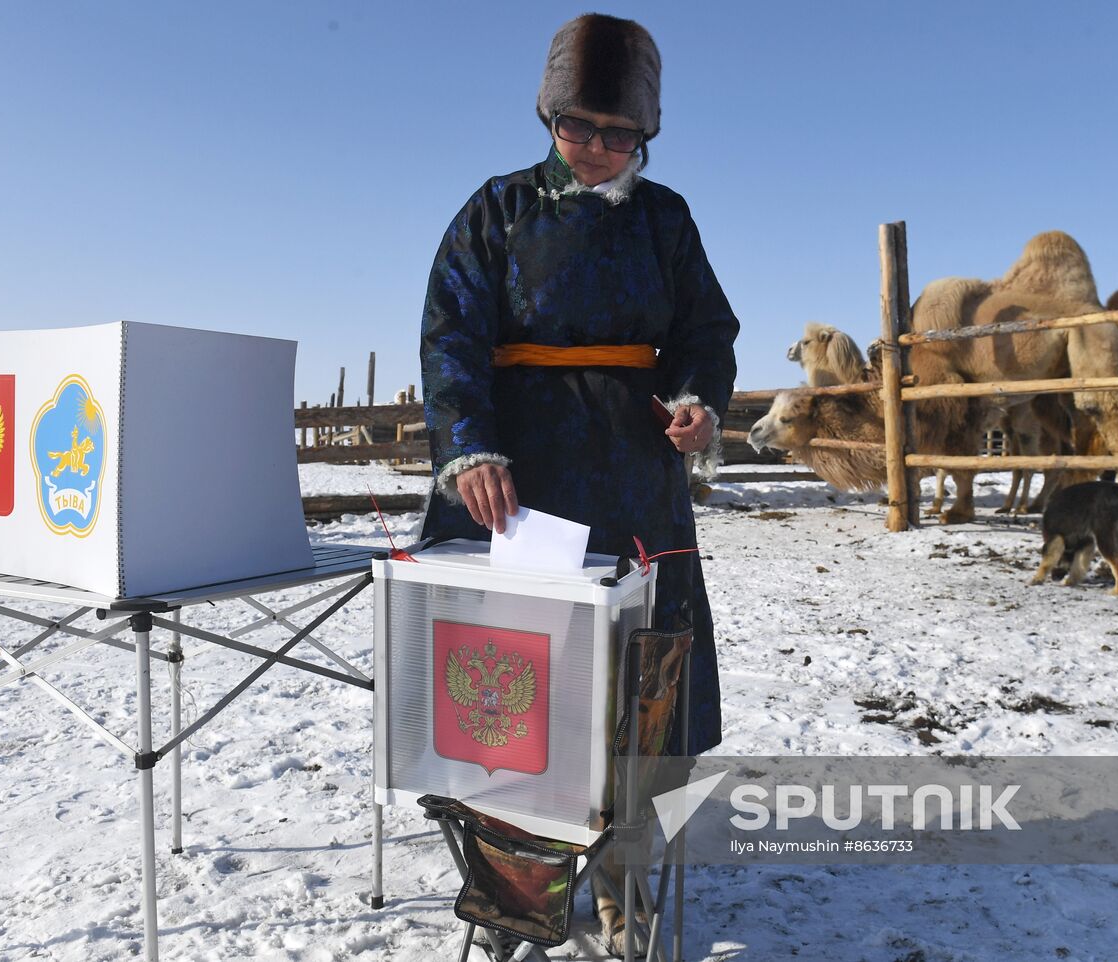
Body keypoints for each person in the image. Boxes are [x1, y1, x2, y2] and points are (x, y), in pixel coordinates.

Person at [418, 13, 739, 953]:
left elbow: (705, 332)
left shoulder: (665, 218)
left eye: (619, 133)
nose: (599, 149)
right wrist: (469, 449)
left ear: (645, 133)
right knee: (517, 694)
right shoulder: (497, 211)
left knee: (644, 694)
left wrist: (696, 402)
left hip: (636, 484)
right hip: (518, 493)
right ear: (549, 116)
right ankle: (518, 893)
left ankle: (627, 887)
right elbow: (451, 338)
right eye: (580, 128)